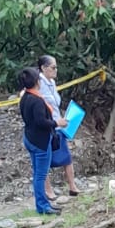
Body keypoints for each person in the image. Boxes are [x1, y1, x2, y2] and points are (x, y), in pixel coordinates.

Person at [18, 67, 61, 216]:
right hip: (40, 141)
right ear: (37, 82)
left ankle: (43, 204)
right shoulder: (36, 100)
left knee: (38, 173)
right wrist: (57, 123)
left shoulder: (25, 97)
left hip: (29, 138)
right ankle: (42, 206)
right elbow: (41, 122)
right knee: (40, 175)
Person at [37, 54, 79, 200]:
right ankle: (48, 190)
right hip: (46, 125)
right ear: (43, 68)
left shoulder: (52, 83)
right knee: (44, 159)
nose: (56, 70)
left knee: (66, 155)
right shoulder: (38, 83)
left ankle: (72, 186)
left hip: (58, 124)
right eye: (53, 67)